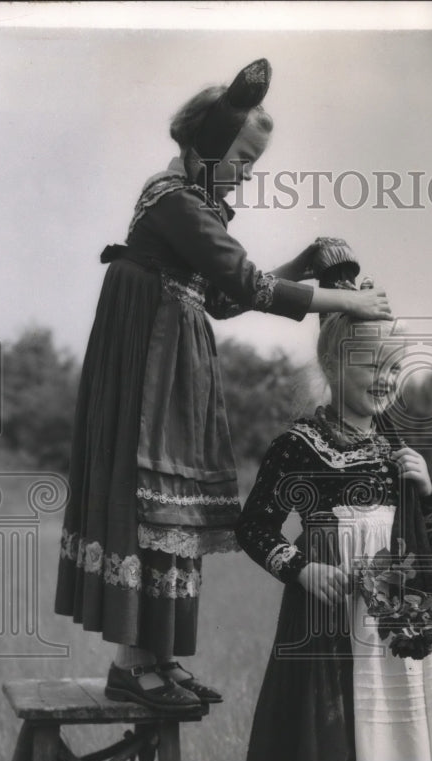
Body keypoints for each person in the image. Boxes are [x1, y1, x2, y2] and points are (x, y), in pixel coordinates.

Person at [54, 59, 392, 713]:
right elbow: (247, 285)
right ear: (208, 143)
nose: (245, 171)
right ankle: (133, 665)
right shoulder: (174, 199)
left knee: (174, 502)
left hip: (174, 358)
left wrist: (304, 266)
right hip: (151, 362)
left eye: (252, 162)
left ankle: (157, 659)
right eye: (240, 156)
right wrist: (343, 302)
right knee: (156, 498)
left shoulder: (195, 207)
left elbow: (229, 299)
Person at [230, 242, 432, 761]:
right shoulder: (299, 444)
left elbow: (430, 540)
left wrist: (425, 493)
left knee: (389, 749)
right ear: (335, 364)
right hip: (326, 625)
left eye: (397, 369)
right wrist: (299, 565)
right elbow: (252, 527)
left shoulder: (396, 446)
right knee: (332, 746)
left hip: (391, 628)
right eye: (374, 367)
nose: (388, 380)